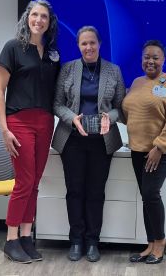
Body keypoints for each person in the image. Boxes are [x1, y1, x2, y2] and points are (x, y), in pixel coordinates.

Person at [0, 0, 60, 264]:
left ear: (49, 22)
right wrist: (4, 129)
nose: (39, 20)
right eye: (35, 15)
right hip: (19, 121)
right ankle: (10, 240)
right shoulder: (13, 47)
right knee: (24, 181)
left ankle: (25, 237)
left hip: (45, 122)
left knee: (34, 182)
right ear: (27, 17)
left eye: (44, 16)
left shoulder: (52, 53)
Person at [52, 25, 125, 262]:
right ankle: (76, 240)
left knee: (95, 192)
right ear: (78, 46)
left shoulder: (114, 70)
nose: (88, 47)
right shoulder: (68, 69)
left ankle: (93, 241)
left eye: (92, 42)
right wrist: (72, 118)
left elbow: (120, 107)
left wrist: (109, 118)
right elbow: (57, 103)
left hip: (102, 141)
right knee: (75, 191)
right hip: (72, 139)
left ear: (99, 44)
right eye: (84, 43)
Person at [122, 40, 166, 264]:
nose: (150, 60)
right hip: (137, 150)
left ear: (163, 60)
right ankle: (150, 244)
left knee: (150, 194)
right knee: (146, 197)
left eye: (155, 57)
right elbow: (129, 113)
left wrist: (159, 146)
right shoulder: (137, 82)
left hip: (161, 150)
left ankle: (160, 242)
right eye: (146, 56)